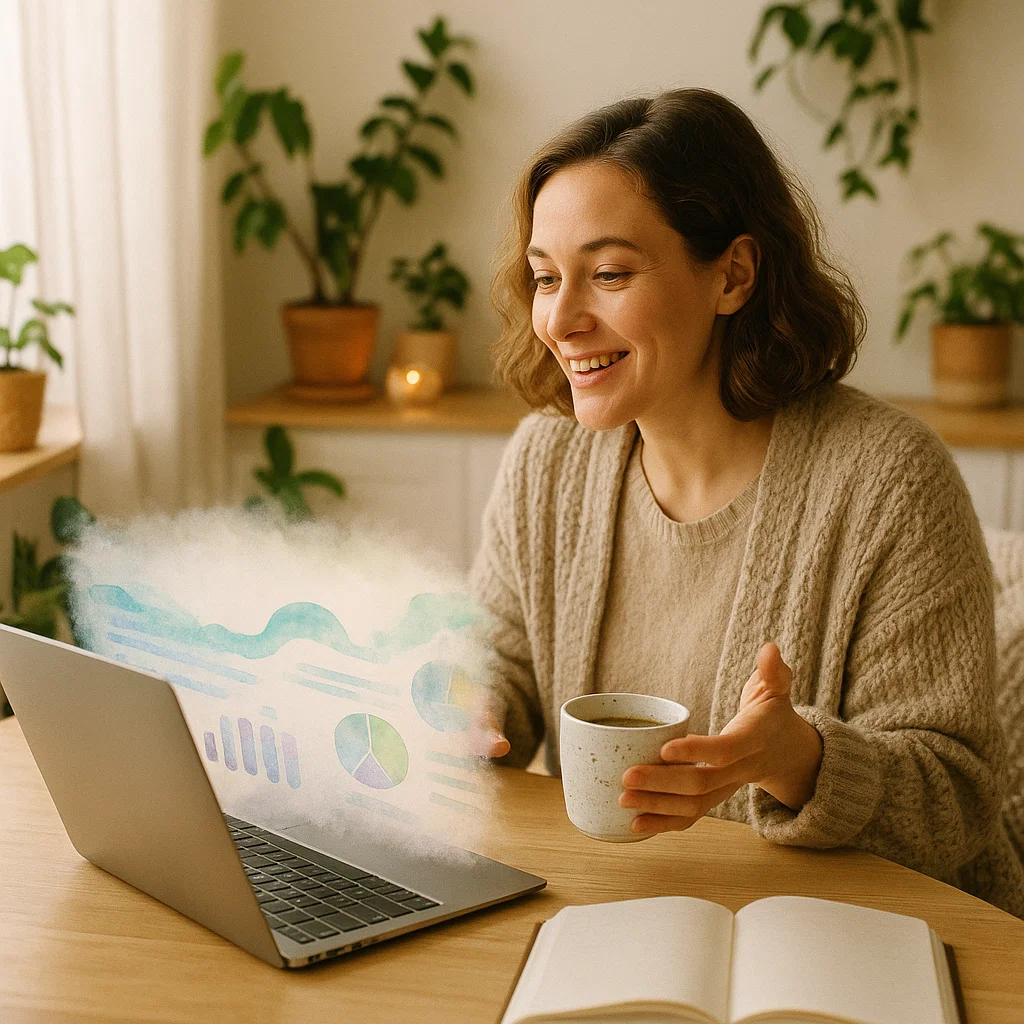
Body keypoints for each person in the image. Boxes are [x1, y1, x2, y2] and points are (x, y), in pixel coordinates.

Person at [469, 87, 1024, 917]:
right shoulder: (546, 462)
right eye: (547, 278)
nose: (562, 318)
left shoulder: (891, 480)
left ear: (732, 274)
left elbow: (957, 803)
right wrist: (467, 707)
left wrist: (799, 759)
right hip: (614, 914)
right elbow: (498, 660)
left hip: (855, 944)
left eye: (610, 273)